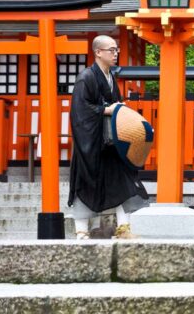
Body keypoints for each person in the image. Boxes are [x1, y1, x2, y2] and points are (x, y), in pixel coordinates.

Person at [67, 35, 148, 239]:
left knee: (123, 181)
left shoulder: (110, 77)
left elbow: (114, 107)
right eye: (111, 50)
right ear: (98, 52)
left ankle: (123, 228)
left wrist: (118, 111)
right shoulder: (86, 77)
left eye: (116, 49)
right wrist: (106, 110)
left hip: (110, 144)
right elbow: (80, 111)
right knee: (86, 184)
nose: (115, 53)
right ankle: (81, 230)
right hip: (92, 144)